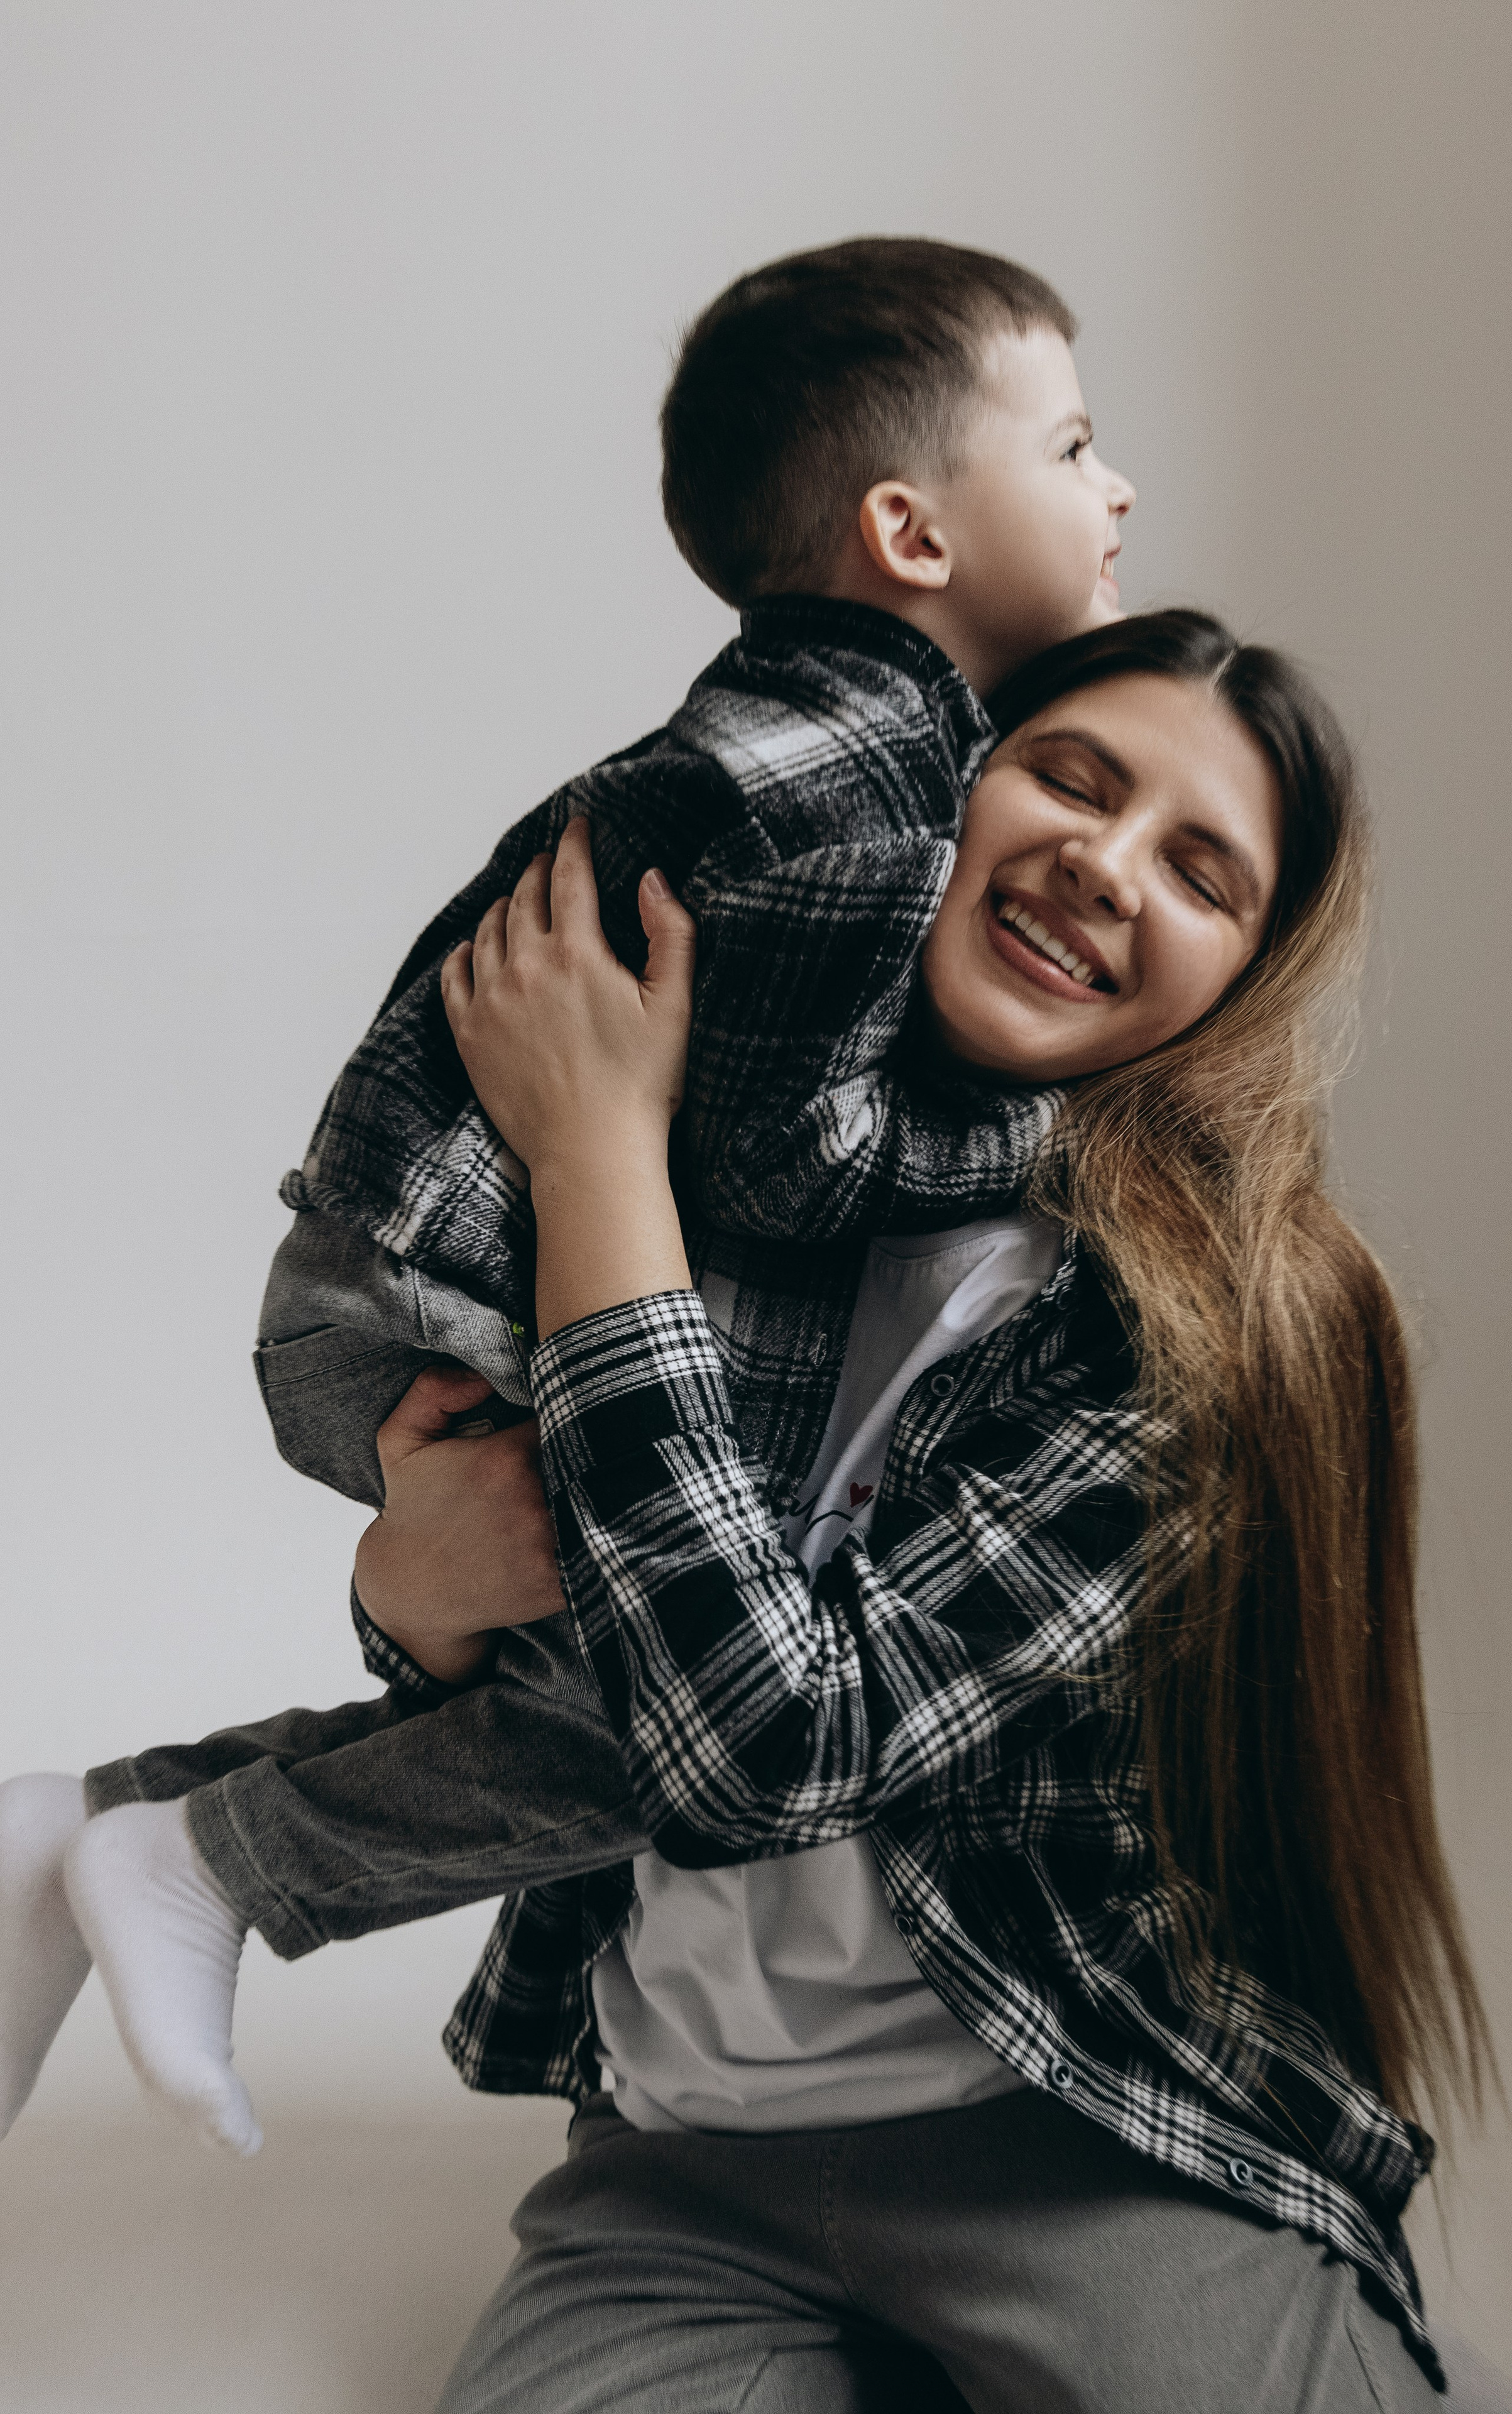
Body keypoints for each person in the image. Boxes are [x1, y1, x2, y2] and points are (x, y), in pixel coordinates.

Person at [0, 233, 1137, 2154]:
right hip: (446, 1285)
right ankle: (209, 1859)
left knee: (630, 1666)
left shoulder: (768, 725)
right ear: (912, 534)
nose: (1117, 491)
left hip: (378, 1267)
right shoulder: (877, 790)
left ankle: (100, 1831)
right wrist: (1050, 1138)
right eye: (1080, 440)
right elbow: (800, 1153)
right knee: (684, 1702)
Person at [420, 614, 1512, 2410]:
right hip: (685, 2157)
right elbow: (532, 1648)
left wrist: (591, 1155)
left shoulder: (1209, 1316)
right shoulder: (711, 1168)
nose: (1104, 860)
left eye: (1200, 869)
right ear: (948, 794)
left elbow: (768, 1745)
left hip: (1069, 2121)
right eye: (1072, 779)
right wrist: (415, 1590)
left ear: (1247, 974)